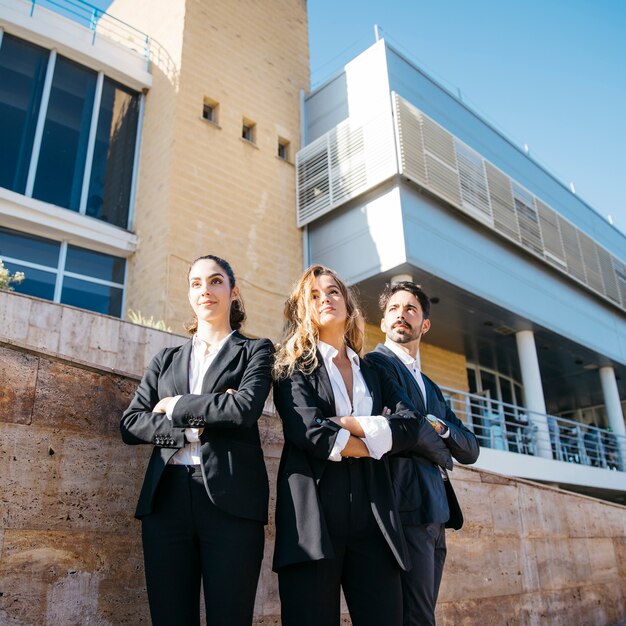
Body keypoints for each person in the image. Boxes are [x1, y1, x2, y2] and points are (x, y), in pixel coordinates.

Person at [272, 265, 452, 626]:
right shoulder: (290, 365)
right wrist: (378, 441)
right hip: (313, 521)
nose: (326, 298)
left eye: (333, 291)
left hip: (375, 520)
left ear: (348, 304)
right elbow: (311, 433)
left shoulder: (374, 369)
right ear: (303, 309)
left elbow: (409, 425)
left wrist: (349, 425)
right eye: (314, 295)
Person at [120, 255, 274, 626]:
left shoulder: (257, 350)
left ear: (233, 292)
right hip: (166, 500)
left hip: (231, 502)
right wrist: (195, 424)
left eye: (216, 281)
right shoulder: (165, 359)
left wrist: (173, 405)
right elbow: (131, 424)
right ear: (190, 294)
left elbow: (243, 409)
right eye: (196, 283)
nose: (206, 290)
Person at [365, 281, 480, 626]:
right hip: (405, 503)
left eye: (410, 309)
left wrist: (442, 429)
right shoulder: (376, 364)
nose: (402, 315)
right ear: (383, 322)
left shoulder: (430, 386)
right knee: (416, 617)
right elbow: (411, 428)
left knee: (422, 611)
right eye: (394, 310)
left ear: (424, 324)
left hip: (437, 510)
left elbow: (471, 448)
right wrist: (445, 453)